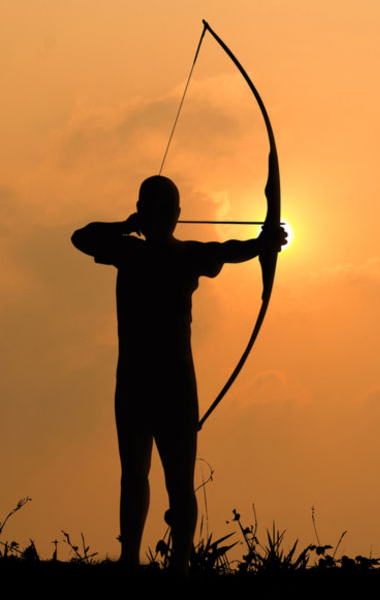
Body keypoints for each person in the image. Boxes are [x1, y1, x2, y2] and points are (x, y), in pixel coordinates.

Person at [71, 175, 286, 571]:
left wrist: (263, 242)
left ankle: (178, 565)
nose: (157, 216)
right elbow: (80, 237)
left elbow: (230, 249)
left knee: (174, 483)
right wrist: (263, 242)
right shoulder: (132, 252)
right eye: (149, 208)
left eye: (161, 209)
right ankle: (132, 560)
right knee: (135, 475)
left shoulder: (168, 254)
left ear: (175, 215)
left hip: (165, 386)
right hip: (143, 384)